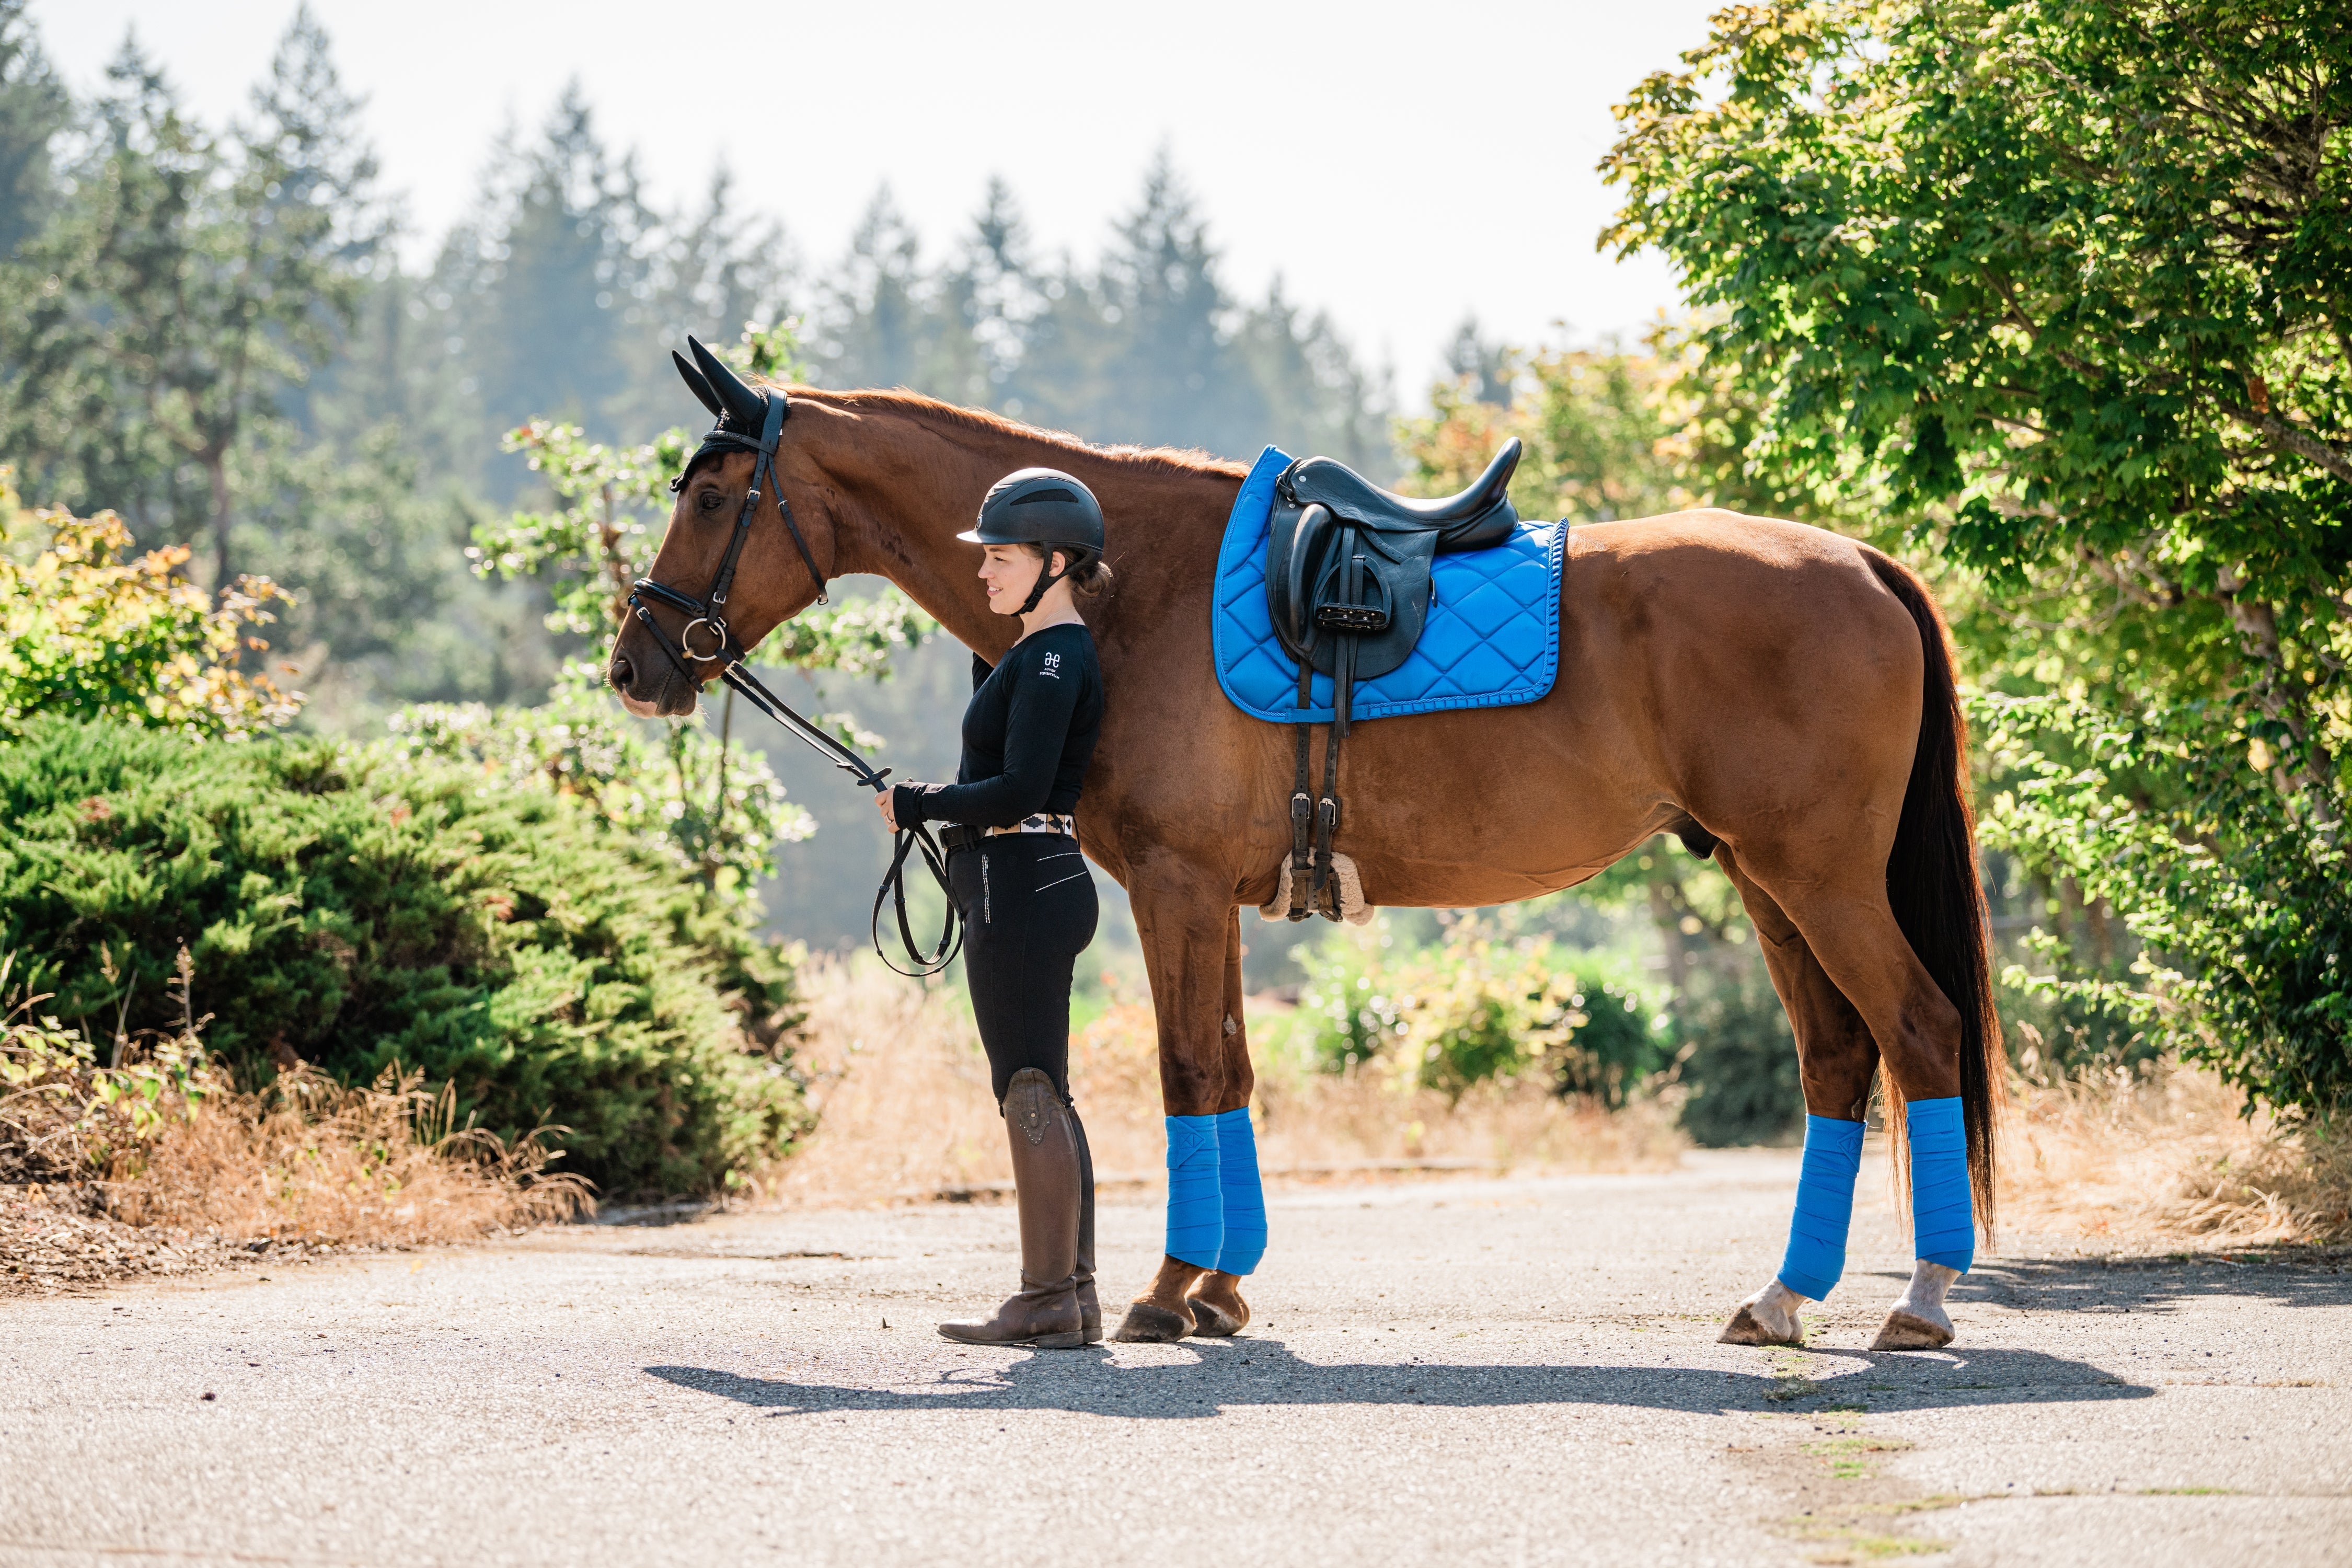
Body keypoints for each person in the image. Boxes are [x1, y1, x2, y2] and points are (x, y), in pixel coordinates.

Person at [879, 467, 1112, 1347]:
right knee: (1045, 1086)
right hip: (1029, 881)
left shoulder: (1054, 658)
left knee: (1026, 1087)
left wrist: (919, 802)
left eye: (1001, 557)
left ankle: (1047, 1297)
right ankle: (1073, 1296)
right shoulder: (1037, 654)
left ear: (1056, 562)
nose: (983, 572)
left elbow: (1013, 790)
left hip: (1023, 881)